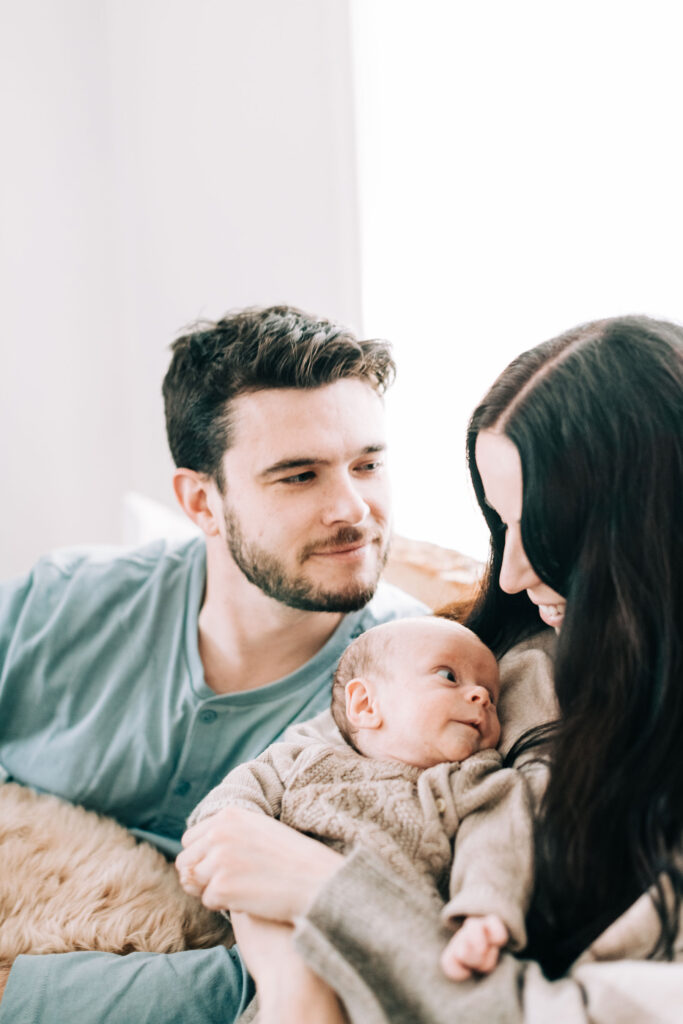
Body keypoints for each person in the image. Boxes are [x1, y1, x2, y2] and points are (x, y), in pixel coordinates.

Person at [177, 314, 683, 1023]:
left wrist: (328, 893)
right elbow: (254, 832)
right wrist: (294, 984)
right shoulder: (497, 655)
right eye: (498, 526)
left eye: (543, 532)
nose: (506, 575)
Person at [0, 305, 427, 1022]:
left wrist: (19, 994)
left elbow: (315, 969)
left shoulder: (410, 686)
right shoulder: (61, 600)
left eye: (368, 465)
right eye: (299, 476)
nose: (353, 508)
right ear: (201, 501)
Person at [179, 615, 534, 1021]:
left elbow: (496, 842)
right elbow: (230, 806)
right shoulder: (299, 759)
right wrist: (215, 845)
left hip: (384, 966)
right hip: (277, 953)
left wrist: (483, 914)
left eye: (490, 691)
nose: (481, 697)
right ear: (365, 704)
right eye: (449, 676)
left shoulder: (474, 780)